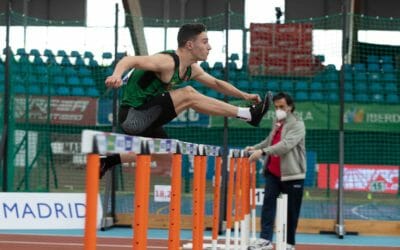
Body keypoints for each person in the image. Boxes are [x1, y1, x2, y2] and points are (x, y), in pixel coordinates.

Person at [100, 23, 270, 178]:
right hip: (132, 117)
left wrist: (244, 95)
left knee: (160, 148)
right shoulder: (167, 61)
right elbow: (130, 60)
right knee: (188, 94)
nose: (209, 47)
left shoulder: (191, 69)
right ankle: (247, 114)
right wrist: (116, 75)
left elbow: (217, 83)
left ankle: (107, 161)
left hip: (147, 118)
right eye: (204, 42)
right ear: (190, 45)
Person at [245, 92, 306, 250]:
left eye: (282, 107)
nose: (279, 110)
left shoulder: (298, 124)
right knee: (268, 207)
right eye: (276, 107)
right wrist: (255, 148)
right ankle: (265, 239)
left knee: (291, 212)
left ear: (290, 107)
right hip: (273, 172)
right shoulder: (277, 121)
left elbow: (286, 145)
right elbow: (269, 140)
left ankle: (289, 243)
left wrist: (263, 152)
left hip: (292, 175)